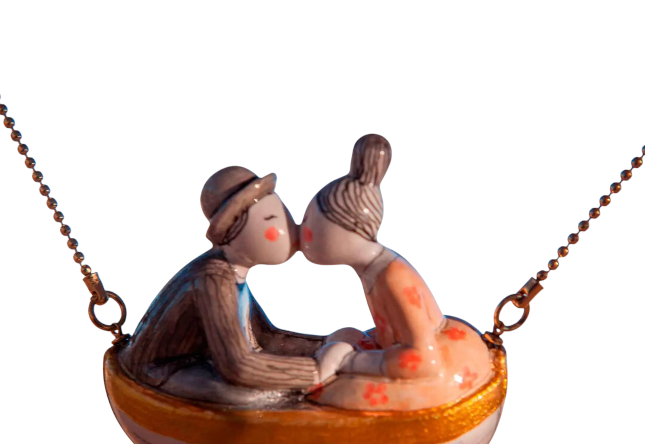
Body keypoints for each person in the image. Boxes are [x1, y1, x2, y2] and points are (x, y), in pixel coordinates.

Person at [121, 165, 353, 407]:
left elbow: (264, 338)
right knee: (252, 398)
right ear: (234, 231)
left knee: (266, 389)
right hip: (163, 370)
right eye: (272, 219)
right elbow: (237, 366)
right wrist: (315, 370)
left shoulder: (232, 275)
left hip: (207, 359)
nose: (291, 228)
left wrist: (324, 344)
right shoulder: (214, 278)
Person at [300, 134, 492, 411]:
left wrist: (350, 361)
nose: (303, 233)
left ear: (349, 228)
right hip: (397, 348)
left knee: (335, 388)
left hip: (429, 361)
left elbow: (424, 360)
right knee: (344, 336)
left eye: (312, 225)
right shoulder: (372, 269)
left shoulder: (392, 278)